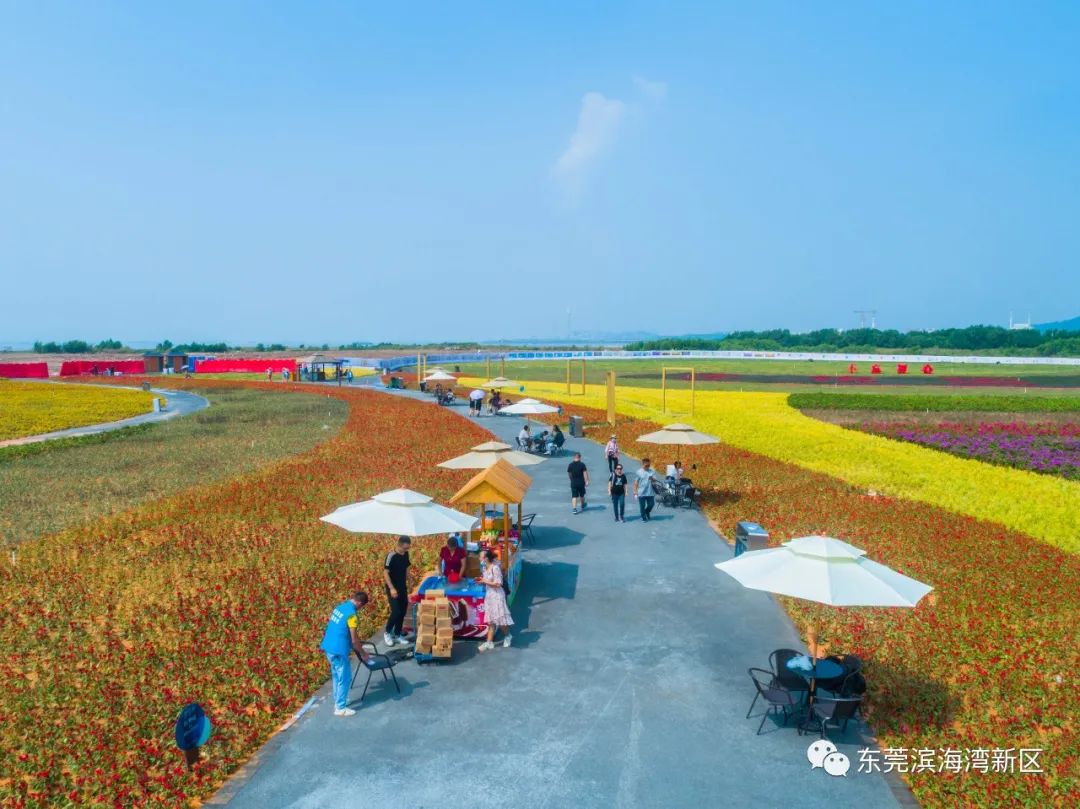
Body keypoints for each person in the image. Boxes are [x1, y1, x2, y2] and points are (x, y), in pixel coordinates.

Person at [319, 590, 371, 717]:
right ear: (359, 602)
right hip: (338, 650)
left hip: (329, 646)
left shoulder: (340, 607)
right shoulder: (352, 615)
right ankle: (340, 708)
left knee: (337, 675)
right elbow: (353, 640)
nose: (360, 609)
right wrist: (363, 653)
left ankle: (338, 700)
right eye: (362, 606)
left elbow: (344, 629)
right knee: (345, 677)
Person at [478, 549, 513, 650]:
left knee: (500, 621)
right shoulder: (484, 568)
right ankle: (489, 642)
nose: (479, 558)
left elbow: (498, 583)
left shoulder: (495, 568)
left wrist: (484, 581)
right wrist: (482, 581)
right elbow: (487, 581)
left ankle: (508, 636)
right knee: (491, 621)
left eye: (480, 557)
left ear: (486, 558)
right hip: (489, 596)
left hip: (497, 596)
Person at [382, 536, 412, 647]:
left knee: (403, 611)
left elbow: (407, 568)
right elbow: (385, 573)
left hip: (402, 587)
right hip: (393, 588)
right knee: (396, 611)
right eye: (404, 548)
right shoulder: (391, 556)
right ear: (399, 545)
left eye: (407, 548)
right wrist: (391, 588)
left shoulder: (406, 554)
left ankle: (398, 633)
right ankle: (387, 632)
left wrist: (410, 580)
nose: (406, 550)